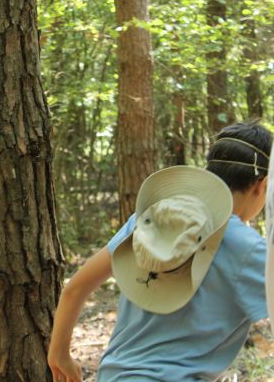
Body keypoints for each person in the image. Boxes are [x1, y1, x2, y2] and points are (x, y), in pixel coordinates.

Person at [48, 121, 272, 381]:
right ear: (262, 184)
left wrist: (59, 353)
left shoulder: (153, 220)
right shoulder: (248, 249)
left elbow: (75, 288)